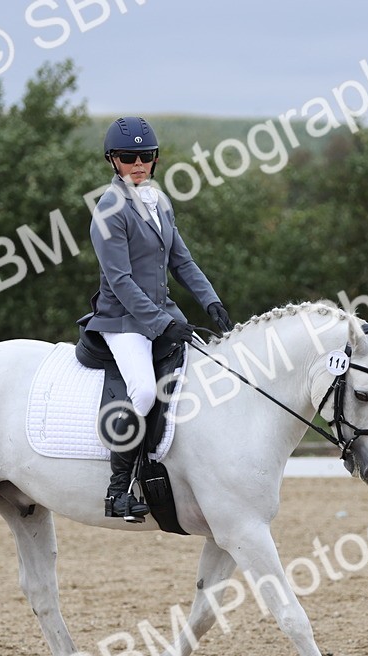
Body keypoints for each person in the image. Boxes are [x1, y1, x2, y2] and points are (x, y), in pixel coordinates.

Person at [86, 116, 234, 520]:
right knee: (146, 393)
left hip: (162, 313)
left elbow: (181, 260)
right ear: (113, 161)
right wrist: (161, 324)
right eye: (129, 157)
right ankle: (118, 491)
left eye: (146, 156)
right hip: (122, 321)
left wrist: (211, 301)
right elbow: (120, 281)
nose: (139, 163)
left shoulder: (158, 201)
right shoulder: (109, 210)